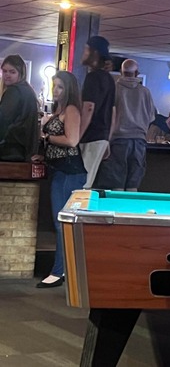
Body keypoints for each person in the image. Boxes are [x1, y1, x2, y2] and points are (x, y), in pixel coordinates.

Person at [36, 71, 86, 288]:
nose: (55, 91)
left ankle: (59, 271)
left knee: (61, 223)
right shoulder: (60, 110)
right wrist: (44, 154)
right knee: (61, 222)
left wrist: (47, 137)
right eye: (54, 86)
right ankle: (62, 269)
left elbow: (72, 140)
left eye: (60, 87)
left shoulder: (72, 109)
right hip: (60, 169)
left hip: (69, 171)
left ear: (69, 90)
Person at [94, 59, 155, 191]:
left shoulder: (113, 90)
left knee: (116, 184)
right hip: (139, 141)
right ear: (137, 73)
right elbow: (151, 117)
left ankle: (116, 210)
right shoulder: (145, 92)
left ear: (121, 72)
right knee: (133, 185)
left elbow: (106, 117)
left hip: (118, 141)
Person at [79, 36, 116, 188]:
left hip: (91, 135)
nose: (83, 53)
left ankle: (77, 211)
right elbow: (114, 113)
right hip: (102, 136)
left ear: (93, 53)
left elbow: (89, 107)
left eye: (86, 49)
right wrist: (108, 139)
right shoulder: (109, 79)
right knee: (89, 180)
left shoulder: (92, 77)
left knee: (82, 182)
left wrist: (77, 135)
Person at [0, 55, 39, 162]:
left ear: (20, 73)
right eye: (4, 71)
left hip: (10, 150)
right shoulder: (28, 90)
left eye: (12, 72)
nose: (7, 75)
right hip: (23, 150)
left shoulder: (14, 91)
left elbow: (3, 121)